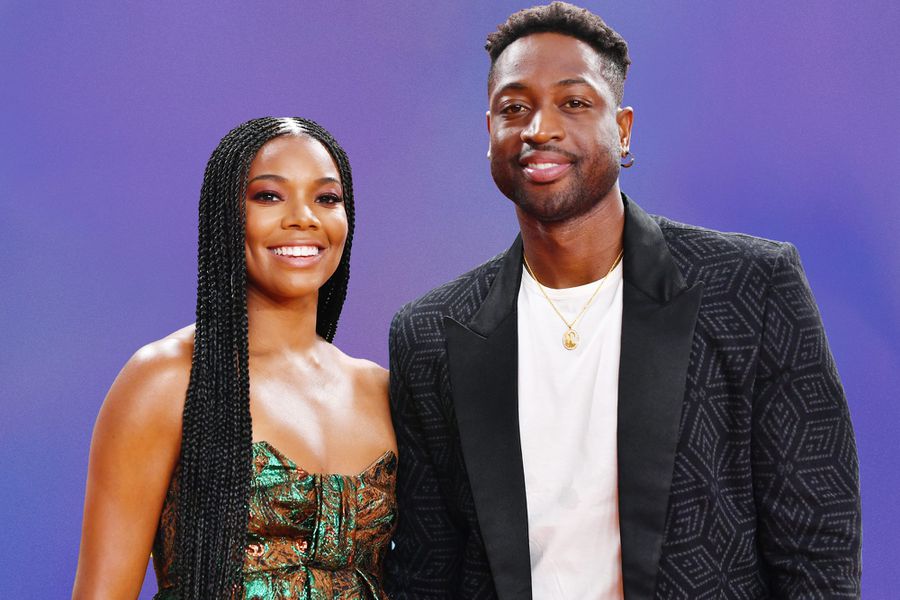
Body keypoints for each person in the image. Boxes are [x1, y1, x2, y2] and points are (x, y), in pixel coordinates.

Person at [384, 3, 861, 599]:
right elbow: (428, 569)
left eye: (574, 103)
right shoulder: (430, 333)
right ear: (490, 135)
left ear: (624, 127)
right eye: (515, 108)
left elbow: (818, 549)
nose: (540, 128)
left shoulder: (749, 287)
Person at [73, 117, 397, 599]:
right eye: (269, 196)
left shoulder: (380, 390)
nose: (303, 217)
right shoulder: (166, 379)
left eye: (326, 198)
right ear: (225, 213)